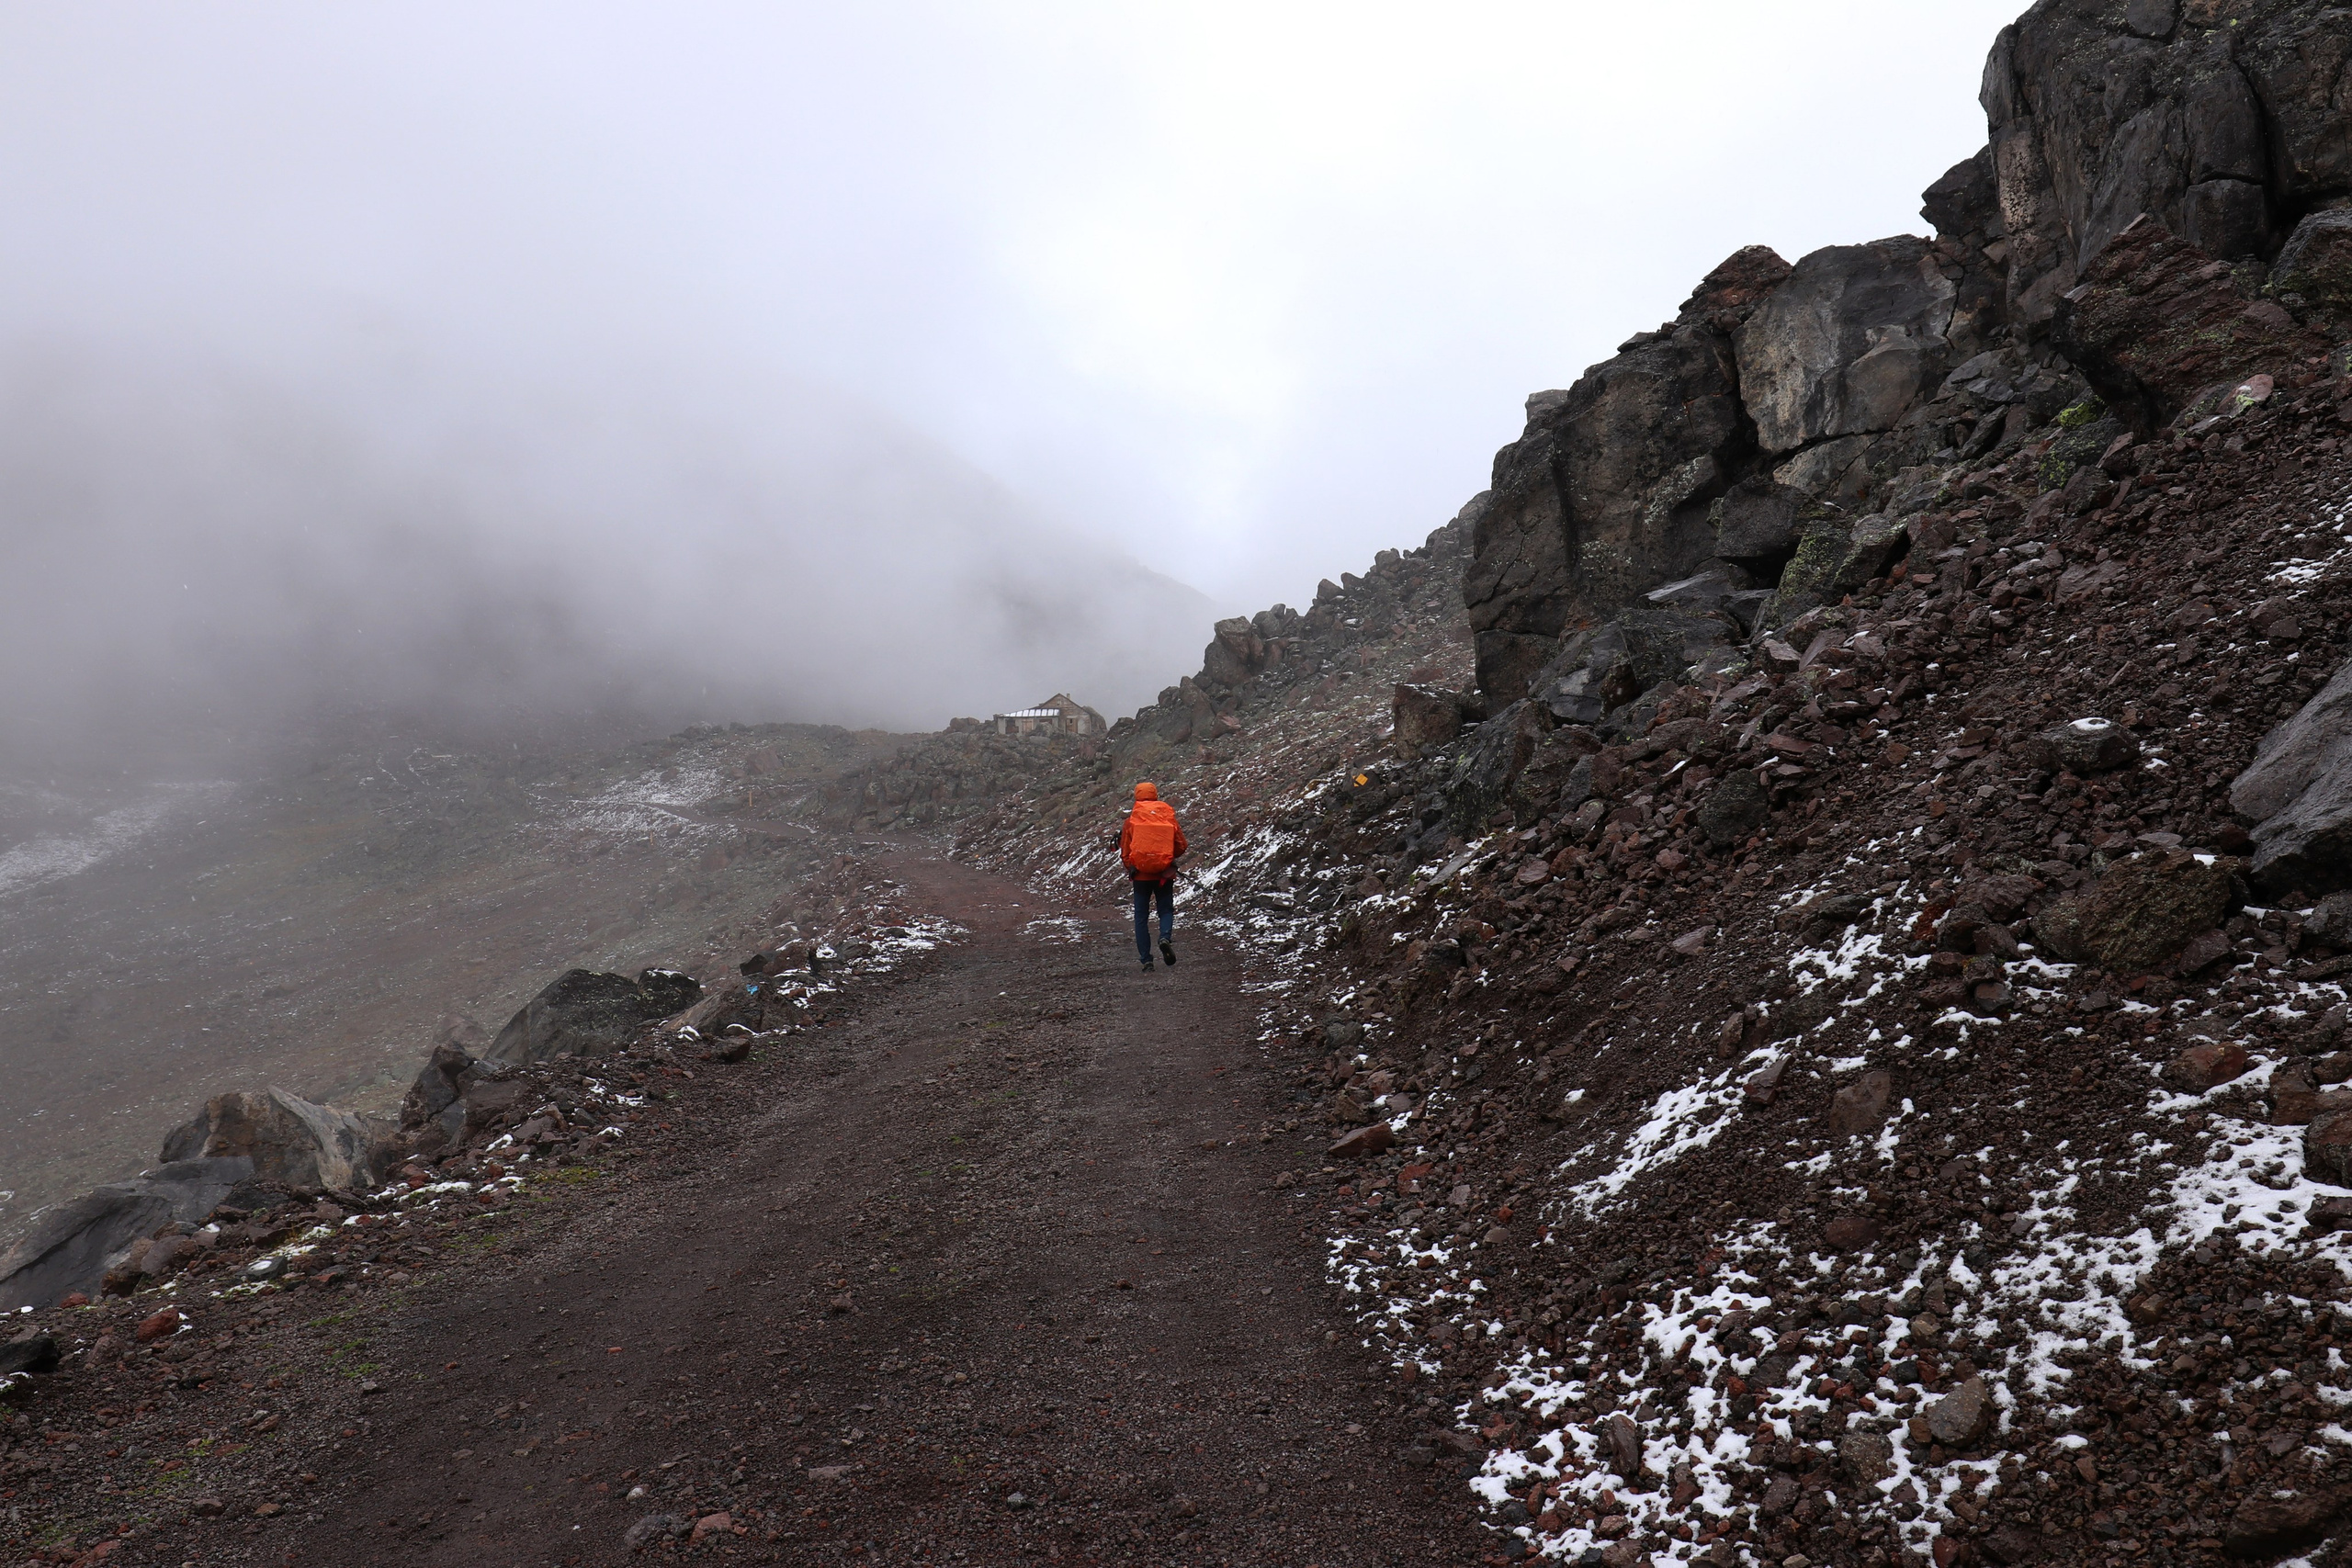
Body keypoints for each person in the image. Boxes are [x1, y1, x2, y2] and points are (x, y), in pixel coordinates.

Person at [1116, 781, 1186, 970]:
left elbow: (1125, 851)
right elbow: (1181, 845)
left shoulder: (1131, 820)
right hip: (1164, 874)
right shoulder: (1167, 816)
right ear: (1155, 794)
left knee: (1141, 917)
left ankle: (1146, 960)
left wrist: (1132, 866)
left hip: (1140, 876)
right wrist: (1165, 857)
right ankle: (1164, 937)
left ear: (1137, 795)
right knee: (1165, 910)